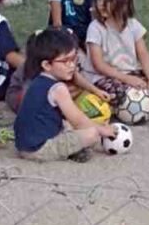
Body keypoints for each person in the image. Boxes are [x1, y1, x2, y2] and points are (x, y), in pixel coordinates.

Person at [14, 28, 117, 162]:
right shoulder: (58, 89)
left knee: (66, 125)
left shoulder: (37, 81)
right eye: (65, 61)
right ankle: (73, 151)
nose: (72, 65)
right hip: (39, 149)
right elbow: (78, 121)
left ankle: (73, 149)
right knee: (91, 134)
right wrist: (101, 130)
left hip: (23, 144)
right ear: (47, 65)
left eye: (74, 59)